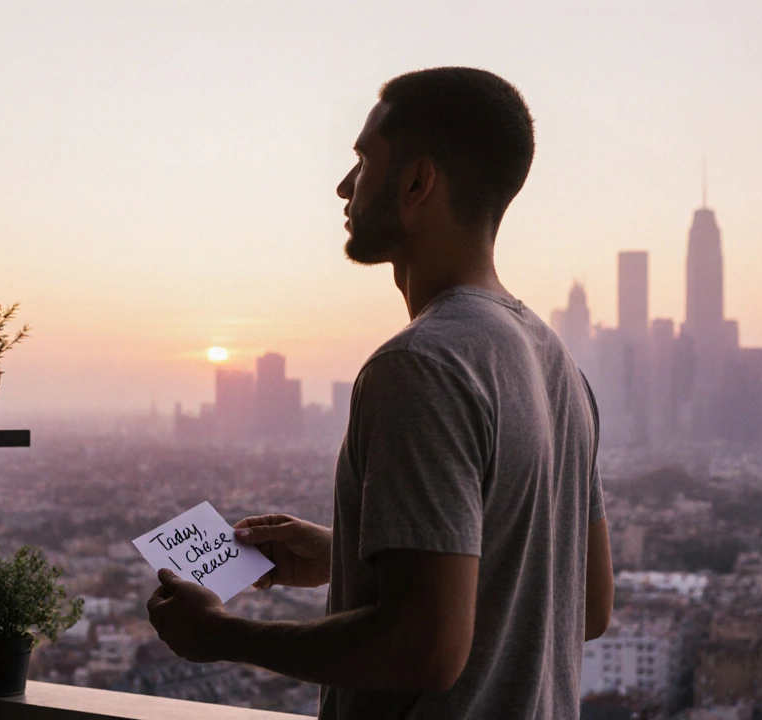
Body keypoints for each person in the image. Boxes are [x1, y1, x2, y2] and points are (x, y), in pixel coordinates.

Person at [146, 67, 614, 719]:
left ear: (418, 183)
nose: (345, 185)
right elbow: (585, 605)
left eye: (364, 160)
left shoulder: (422, 365)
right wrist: (351, 557)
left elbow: (424, 649)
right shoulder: (557, 364)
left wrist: (221, 634)